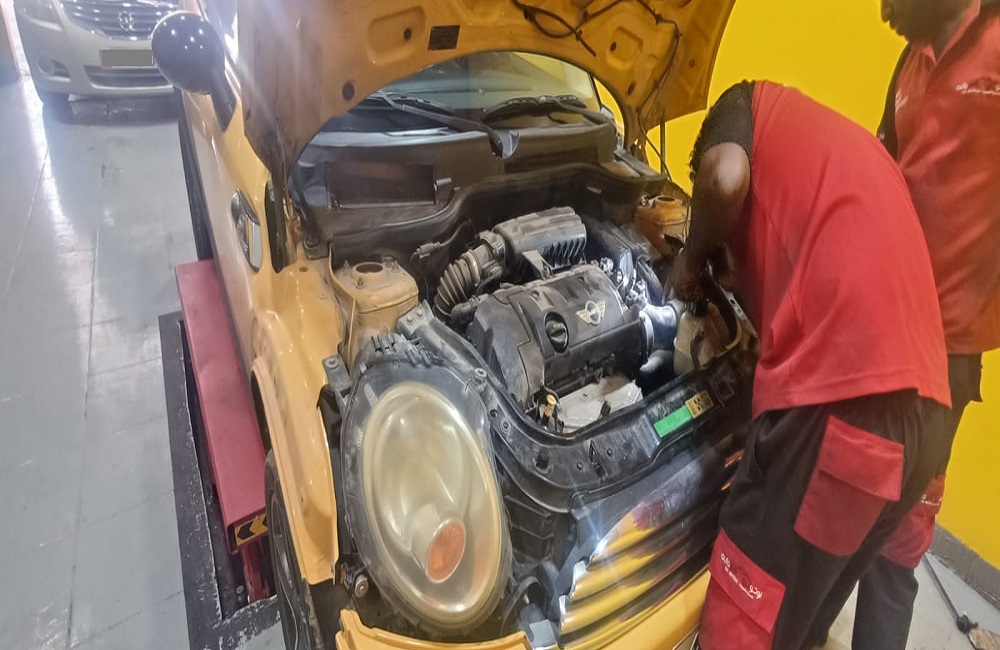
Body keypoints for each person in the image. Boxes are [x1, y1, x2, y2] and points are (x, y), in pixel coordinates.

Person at [674, 81, 954, 650]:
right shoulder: (824, 148)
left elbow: (722, 178)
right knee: (799, 617)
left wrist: (691, 256)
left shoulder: (742, 102)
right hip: (923, 421)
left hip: (847, 410)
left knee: (745, 610)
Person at [810, 2, 1000, 648]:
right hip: (877, 329)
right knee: (833, 516)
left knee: (899, 543)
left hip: (945, 358)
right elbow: (882, 170)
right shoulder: (911, 57)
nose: (882, 8)